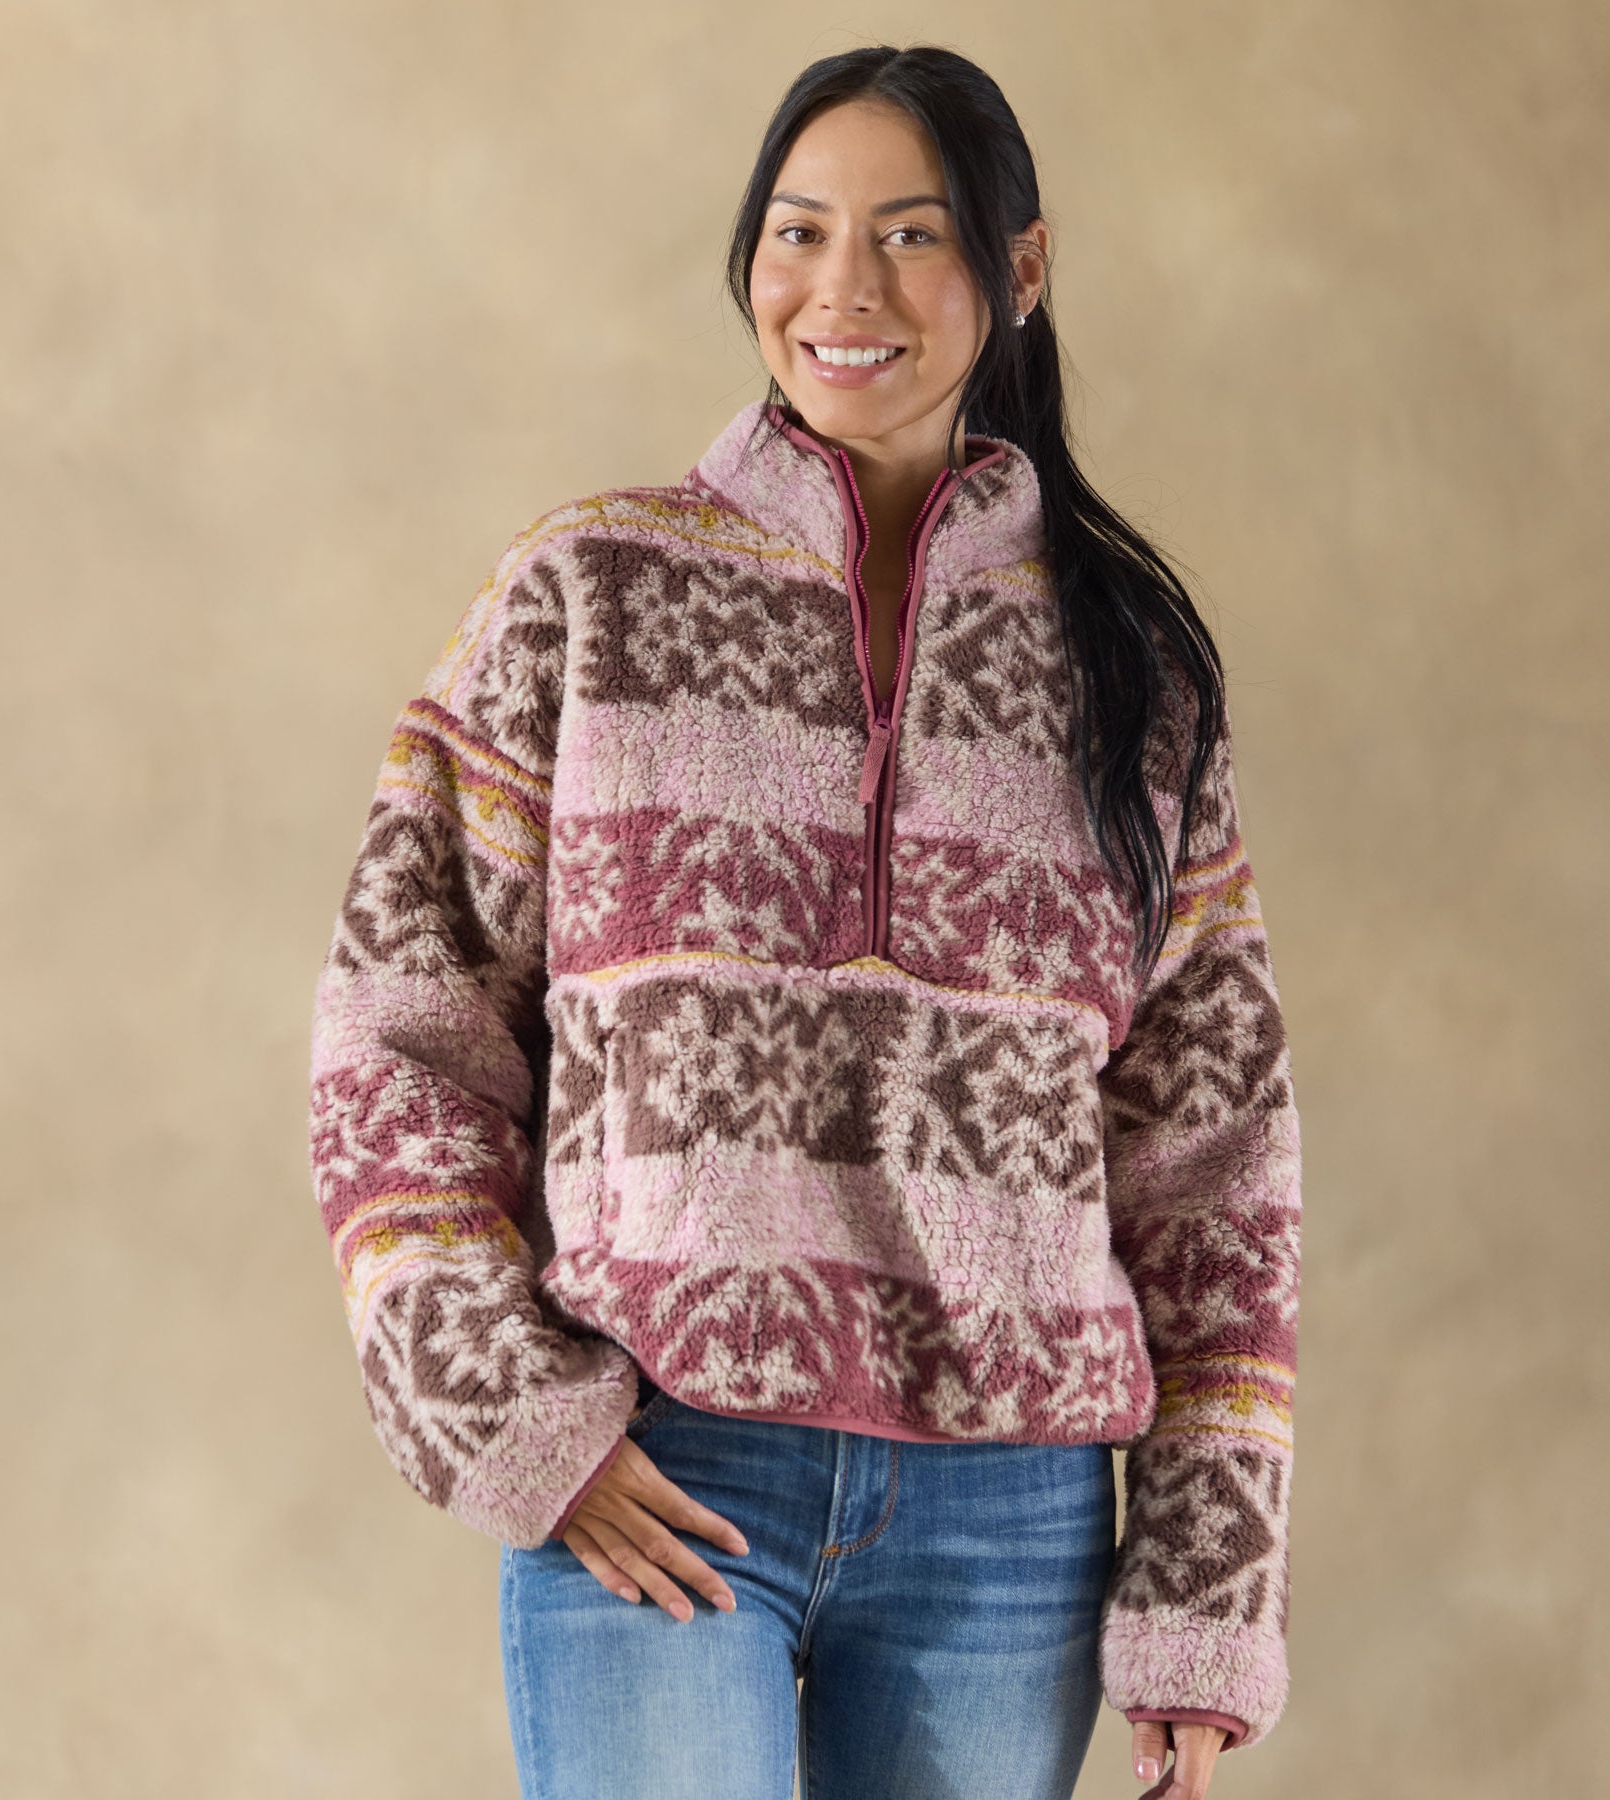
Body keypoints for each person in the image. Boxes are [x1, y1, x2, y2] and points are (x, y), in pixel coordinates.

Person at [307, 41, 1302, 1800]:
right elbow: (402, 1035)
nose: (845, 289)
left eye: (912, 235)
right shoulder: (589, 597)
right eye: (798, 231)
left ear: (1020, 267)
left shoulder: (1131, 675)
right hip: (668, 1469)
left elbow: (1213, 1167)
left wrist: (1200, 1605)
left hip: (1012, 1527)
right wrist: (509, 1413)